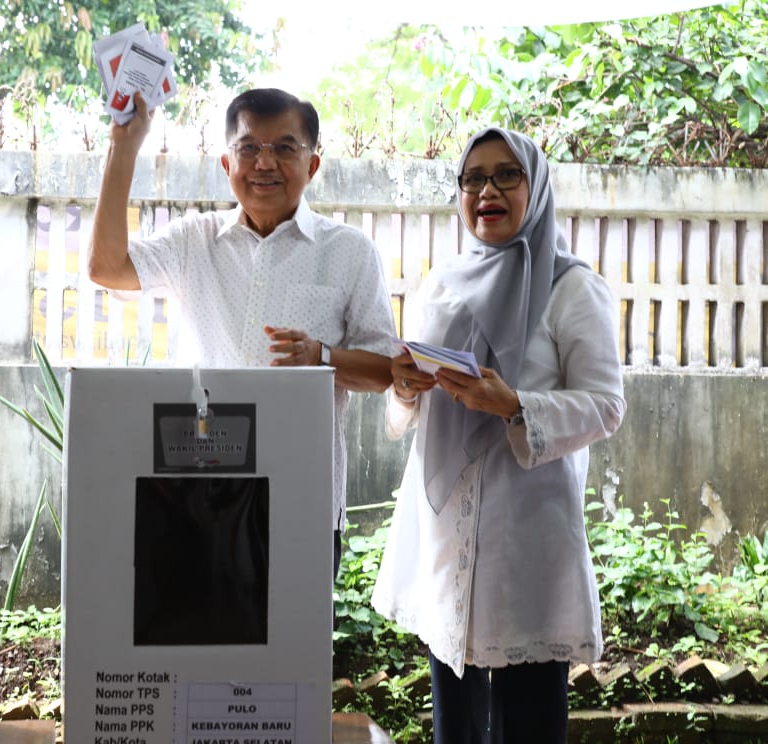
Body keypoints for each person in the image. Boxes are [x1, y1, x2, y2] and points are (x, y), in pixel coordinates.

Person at [370, 127, 626, 743]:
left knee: (528, 720)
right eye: (473, 178)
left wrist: (514, 404)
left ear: (534, 188)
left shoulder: (571, 287)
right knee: (453, 723)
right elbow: (406, 411)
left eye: (506, 175)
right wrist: (404, 387)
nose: (487, 190)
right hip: (445, 532)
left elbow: (606, 406)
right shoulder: (442, 283)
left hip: (527, 535)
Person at [88, 87, 398, 572]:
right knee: (192, 642)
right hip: (199, 493)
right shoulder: (195, 240)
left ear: (312, 165)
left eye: (284, 148)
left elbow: (386, 373)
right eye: (249, 148)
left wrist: (323, 357)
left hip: (304, 501)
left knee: (297, 647)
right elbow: (106, 268)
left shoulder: (351, 252)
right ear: (227, 163)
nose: (264, 164)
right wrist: (124, 147)